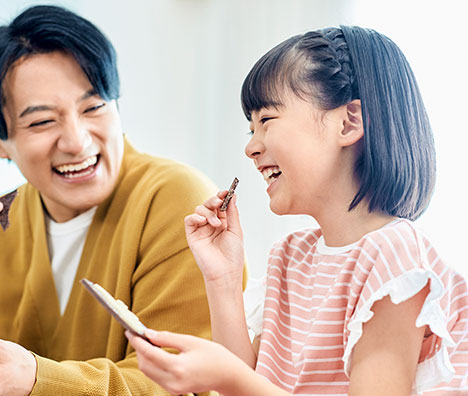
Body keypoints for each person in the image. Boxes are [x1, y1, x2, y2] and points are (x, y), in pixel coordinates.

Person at [126, 26, 468, 395]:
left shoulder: (395, 259)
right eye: (250, 129)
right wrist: (223, 279)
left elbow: (241, 384)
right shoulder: (289, 257)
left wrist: (228, 376)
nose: (251, 148)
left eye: (267, 120)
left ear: (349, 121)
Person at [0, 5, 223, 395]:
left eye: (94, 107)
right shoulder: (8, 214)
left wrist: (36, 378)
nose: (77, 141)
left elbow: (184, 382)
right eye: (41, 121)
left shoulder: (179, 201)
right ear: (4, 144)